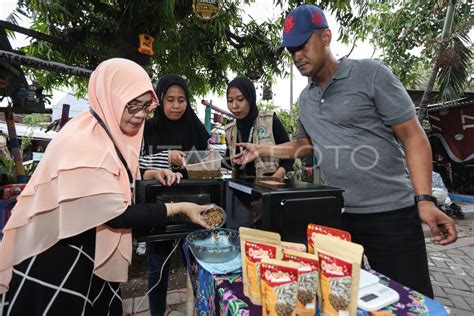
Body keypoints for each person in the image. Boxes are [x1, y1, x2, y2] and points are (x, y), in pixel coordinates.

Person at [234, 4, 457, 298]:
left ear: (326, 37)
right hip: (338, 216)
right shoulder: (306, 98)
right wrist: (265, 150)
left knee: (409, 300)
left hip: (391, 215)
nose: (297, 56)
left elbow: (413, 137)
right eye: (291, 50)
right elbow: (306, 144)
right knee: (344, 298)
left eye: (302, 45)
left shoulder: (371, 74)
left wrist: (425, 200)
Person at [0, 59, 211, 315]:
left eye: (145, 107)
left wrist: (147, 172)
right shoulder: (83, 143)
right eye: (131, 106)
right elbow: (115, 213)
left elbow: (111, 176)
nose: (140, 115)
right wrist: (179, 207)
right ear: (110, 97)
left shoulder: (104, 133)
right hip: (58, 258)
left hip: (89, 249)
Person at [139, 74, 210, 316]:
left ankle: (199, 310)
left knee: (197, 266)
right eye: (170, 99)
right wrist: (166, 157)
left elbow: (208, 162)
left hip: (193, 206)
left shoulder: (197, 129)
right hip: (159, 209)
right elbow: (134, 164)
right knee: (157, 268)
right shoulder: (147, 128)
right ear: (160, 100)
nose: (176, 105)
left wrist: (199, 162)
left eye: (181, 100)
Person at [225, 76, 293, 178]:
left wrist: (276, 177)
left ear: (251, 98)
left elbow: (291, 155)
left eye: (240, 99)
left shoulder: (270, 121)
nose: (234, 106)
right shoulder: (230, 130)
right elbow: (230, 161)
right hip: (240, 190)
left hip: (269, 189)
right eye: (230, 101)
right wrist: (215, 160)